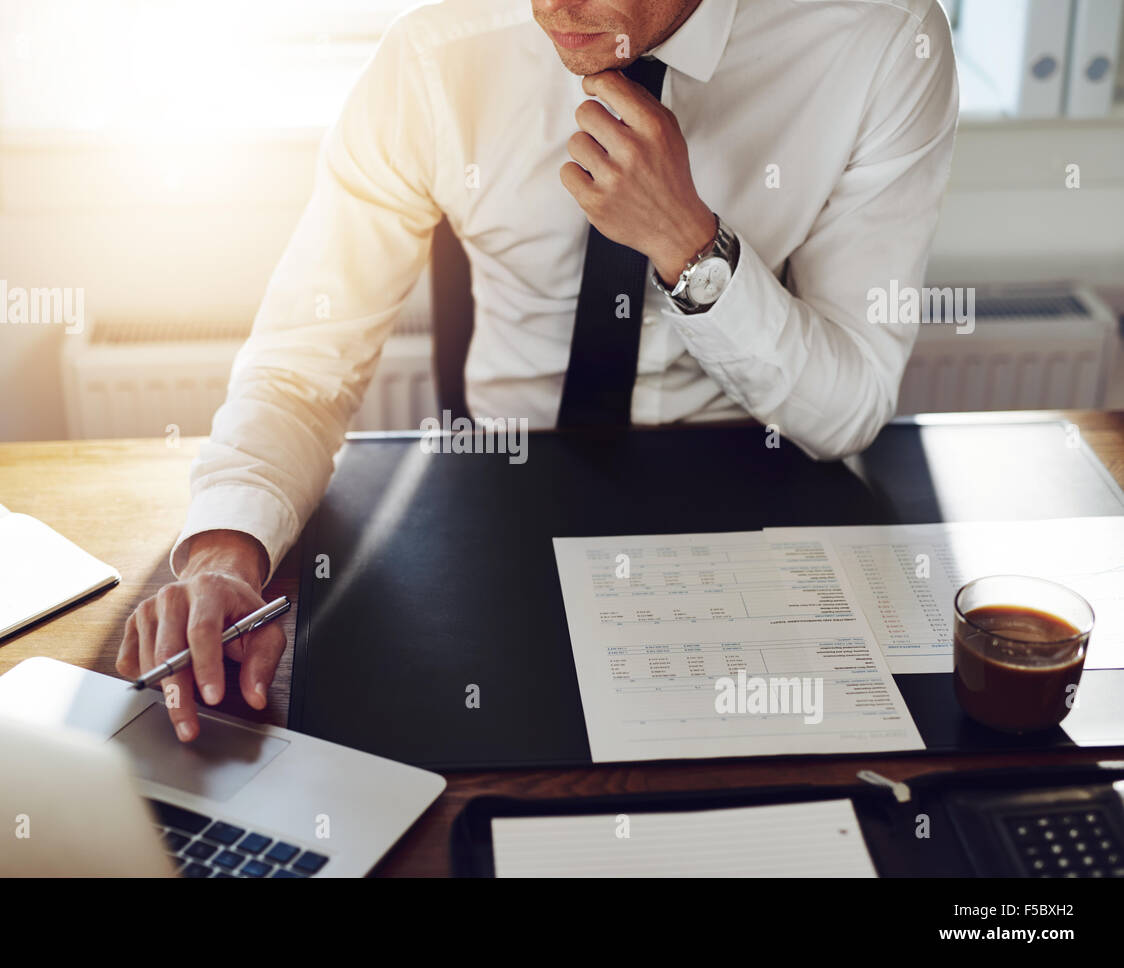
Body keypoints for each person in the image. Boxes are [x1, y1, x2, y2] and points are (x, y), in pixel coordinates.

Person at [117, 0, 959, 741]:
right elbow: (304, 362)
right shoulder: (433, 54)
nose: (551, 4)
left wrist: (689, 244)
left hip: (758, 501)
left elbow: (846, 409)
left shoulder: (883, 38)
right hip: (494, 504)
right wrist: (226, 553)